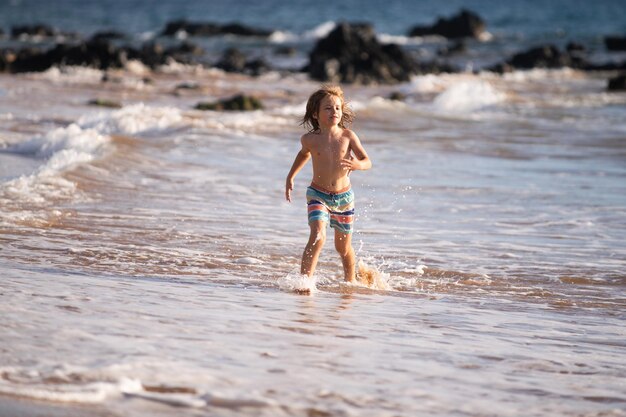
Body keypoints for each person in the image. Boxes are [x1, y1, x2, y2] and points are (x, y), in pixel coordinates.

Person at [285, 85, 372, 282]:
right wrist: (291, 176)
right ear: (315, 114)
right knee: (318, 235)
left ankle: (350, 282)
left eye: (338, 108)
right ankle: (304, 281)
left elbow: (368, 161)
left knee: (343, 247)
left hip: (344, 198)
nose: (334, 111)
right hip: (318, 194)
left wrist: (358, 164)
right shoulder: (309, 139)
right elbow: (302, 155)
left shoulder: (348, 136)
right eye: (328, 108)